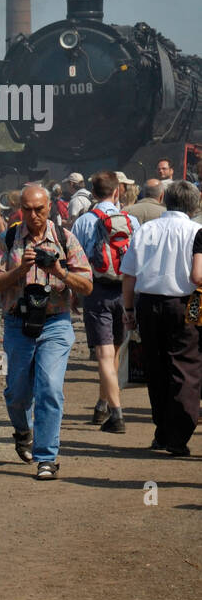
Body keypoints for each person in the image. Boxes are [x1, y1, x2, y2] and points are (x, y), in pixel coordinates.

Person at [0, 184, 93, 480]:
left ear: (50, 207)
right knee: (17, 392)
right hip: (17, 324)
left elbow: (87, 285)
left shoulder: (65, 239)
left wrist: (60, 272)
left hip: (55, 323)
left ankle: (47, 458)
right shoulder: (7, 240)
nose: (33, 215)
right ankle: (23, 431)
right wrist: (19, 271)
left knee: (49, 388)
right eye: (27, 209)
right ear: (20, 208)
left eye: (39, 209)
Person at [120, 180, 201, 456]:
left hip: (148, 304)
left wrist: (128, 311)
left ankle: (162, 431)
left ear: (165, 198)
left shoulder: (145, 230)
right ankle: (177, 434)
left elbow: (129, 275)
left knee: (156, 367)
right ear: (195, 204)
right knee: (186, 368)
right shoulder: (196, 232)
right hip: (186, 304)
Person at [70, 170, 140, 433]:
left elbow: (76, 262)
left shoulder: (83, 222)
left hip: (95, 291)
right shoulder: (131, 221)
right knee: (115, 352)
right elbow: (136, 260)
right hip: (124, 291)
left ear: (93, 192)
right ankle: (102, 404)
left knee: (103, 353)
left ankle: (116, 413)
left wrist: (74, 295)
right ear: (117, 191)